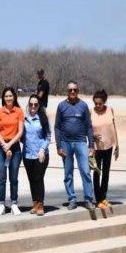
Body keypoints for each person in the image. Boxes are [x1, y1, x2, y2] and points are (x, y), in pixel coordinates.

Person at [54, 80, 96, 210]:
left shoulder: (83, 106)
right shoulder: (61, 106)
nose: (72, 92)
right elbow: (57, 127)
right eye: (70, 90)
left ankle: (88, 199)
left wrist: (91, 145)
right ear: (67, 91)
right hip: (65, 143)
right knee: (68, 173)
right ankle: (72, 199)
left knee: (85, 171)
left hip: (81, 142)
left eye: (75, 90)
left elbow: (89, 126)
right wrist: (59, 146)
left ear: (78, 91)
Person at [0, 87, 25, 216]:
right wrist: (4, 145)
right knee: (2, 178)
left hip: (15, 147)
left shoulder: (19, 111)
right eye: (6, 96)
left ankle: (14, 203)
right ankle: (1, 203)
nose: (8, 98)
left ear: (14, 97)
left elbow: (20, 131)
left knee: (14, 178)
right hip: (0, 147)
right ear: (3, 98)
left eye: (10, 96)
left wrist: (10, 144)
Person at [91, 89, 120, 209]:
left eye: (100, 103)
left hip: (108, 146)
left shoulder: (110, 110)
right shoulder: (91, 112)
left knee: (106, 173)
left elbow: (114, 128)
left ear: (104, 101)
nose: (98, 105)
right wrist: (92, 136)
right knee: (97, 172)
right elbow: (87, 129)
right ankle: (98, 199)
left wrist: (117, 145)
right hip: (97, 148)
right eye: (96, 103)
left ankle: (103, 197)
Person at [23, 94, 51, 216]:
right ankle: (34, 203)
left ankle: (40, 204)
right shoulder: (24, 119)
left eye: (36, 104)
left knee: (38, 179)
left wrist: (42, 149)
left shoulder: (43, 119)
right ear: (28, 105)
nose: (33, 106)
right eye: (31, 104)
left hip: (40, 155)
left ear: (39, 106)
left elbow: (48, 136)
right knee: (31, 180)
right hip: (27, 154)